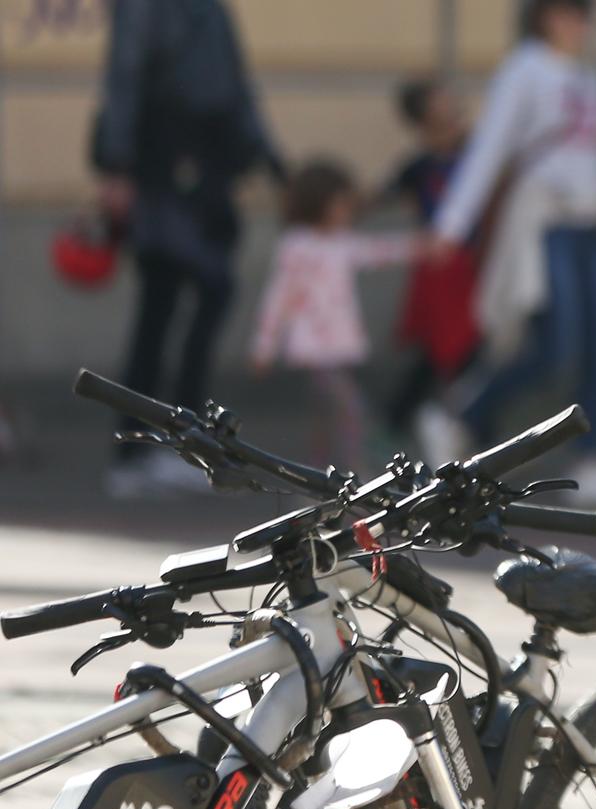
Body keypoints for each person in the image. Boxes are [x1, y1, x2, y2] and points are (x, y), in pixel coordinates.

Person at [432, 0, 596, 511]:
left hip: (592, 227)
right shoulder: (524, 70)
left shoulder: (584, 77)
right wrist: (451, 224)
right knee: (555, 349)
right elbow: (490, 148)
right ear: (546, 16)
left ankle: (593, 460)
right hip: (547, 227)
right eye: (573, 14)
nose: (582, 25)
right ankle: (461, 415)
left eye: (585, 15)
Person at [92, 0, 284, 497]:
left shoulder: (211, 10)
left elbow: (237, 86)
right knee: (160, 312)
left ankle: (179, 443)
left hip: (207, 170)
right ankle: (134, 455)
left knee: (202, 300)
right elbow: (125, 76)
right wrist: (116, 165)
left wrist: (271, 159)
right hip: (163, 166)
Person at [250, 160, 419, 474]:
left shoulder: (340, 243)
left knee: (325, 419)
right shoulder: (297, 246)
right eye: (342, 203)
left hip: (337, 346)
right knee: (349, 410)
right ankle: (353, 478)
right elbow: (278, 298)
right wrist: (264, 346)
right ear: (320, 204)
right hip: (314, 348)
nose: (348, 211)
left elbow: (379, 251)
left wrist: (419, 247)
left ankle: (320, 481)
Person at [380, 77, 480, 467]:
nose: (452, 105)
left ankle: (449, 422)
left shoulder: (477, 154)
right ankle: (404, 420)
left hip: (473, 266)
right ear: (423, 118)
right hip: (439, 270)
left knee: (465, 350)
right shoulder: (419, 167)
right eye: (440, 101)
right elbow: (381, 195)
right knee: (439, 352)